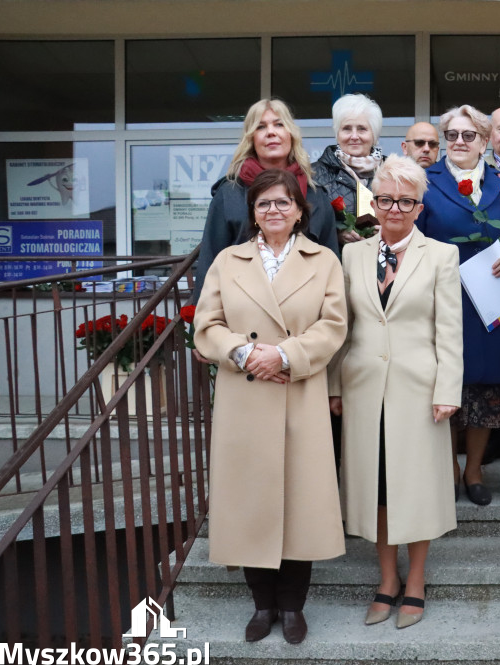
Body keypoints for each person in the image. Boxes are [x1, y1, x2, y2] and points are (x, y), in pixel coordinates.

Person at [193, 169, 348, 645]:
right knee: (251, 502)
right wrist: (245, 354)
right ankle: (262, 605)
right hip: (246, 395)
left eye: (283, 203)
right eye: (263, 205)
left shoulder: (322, 260)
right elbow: (207, 323)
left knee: (300, 503)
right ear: (252, 214)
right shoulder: (227, 260)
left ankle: (293, 606)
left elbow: (334, 325)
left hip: (298, 392)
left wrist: (283, 355)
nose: (273, 211)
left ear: (301, 210)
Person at [330, 155, 463, 629]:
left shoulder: (442, 256)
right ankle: (386, 580)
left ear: (419, 206)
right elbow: (341, 329)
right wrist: (333, 384)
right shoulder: (352, 255)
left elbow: (449, 330)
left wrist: (448, 387)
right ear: (374, 202)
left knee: (417, 489)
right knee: (378, 490)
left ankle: (416, 582)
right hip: (363, 388)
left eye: (405, 200)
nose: (394, 208)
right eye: (385, 199)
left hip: (420, 389)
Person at [416, 104, 500, 507]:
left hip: (490, 300)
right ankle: (444, 470)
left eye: (468, 135)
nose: (459, 142)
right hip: (442, 296)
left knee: (486, 386)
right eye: (452, 135)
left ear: (484, 140)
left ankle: (473, 470)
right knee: (445, 384)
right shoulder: (427, 180)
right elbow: (413, 238)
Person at [192, 98, 339, 304]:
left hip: (304, 319)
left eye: (279, 124)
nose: (271, 132)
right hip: (242, 316)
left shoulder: (316, 195)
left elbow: (332, 266)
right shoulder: (229, 193)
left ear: (291, 135)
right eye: (261, 127)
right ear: (251, 139)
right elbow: (210, 260)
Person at [313, 93, 385, 245]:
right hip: (337, 264)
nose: (354, 136)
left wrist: (389, 231)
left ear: (374, 134)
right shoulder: (314, 175)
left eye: (362, 129)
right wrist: (335, 235)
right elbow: (306, 226)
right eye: (346, 129)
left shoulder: (393, 172)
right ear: (337, 134)